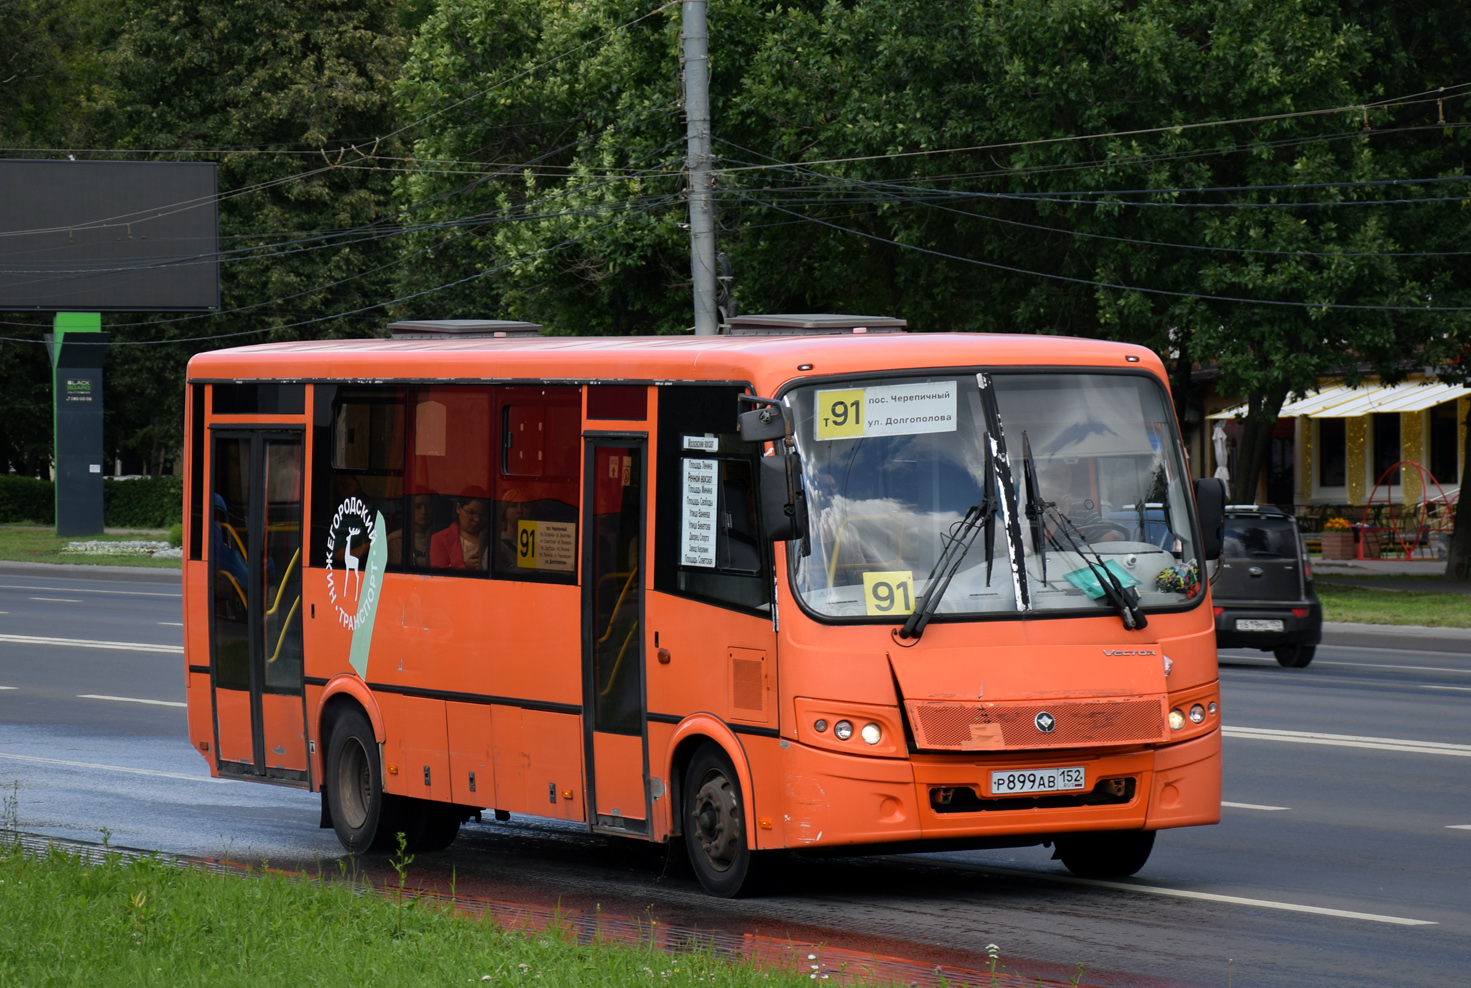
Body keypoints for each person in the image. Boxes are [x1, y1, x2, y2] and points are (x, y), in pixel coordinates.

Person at [430, 489, 490, 570]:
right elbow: (437, 575)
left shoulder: (491, 538)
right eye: (471, 513)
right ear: (458, 508)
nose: (477, 519)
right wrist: (465, 567)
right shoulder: (440, 539)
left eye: (482, 515)